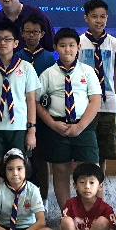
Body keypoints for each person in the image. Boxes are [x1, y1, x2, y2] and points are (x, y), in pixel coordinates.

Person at [35, 27, 101, 209]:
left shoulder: (87, 71)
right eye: (62, 45)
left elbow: (95, 100)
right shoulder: (48, 74)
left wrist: (80, 126)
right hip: (57, 128)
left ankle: (91, 213)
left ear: (78, 47)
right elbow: (37, 103)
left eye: (71, 45)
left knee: (90, 171)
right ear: (56, 47)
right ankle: (68, 214)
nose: (67, 49)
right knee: (60, 171)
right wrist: (52, 124)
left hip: (83, 127)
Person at [0, 21, 40, 193]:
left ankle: (18, 204)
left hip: (19, 127)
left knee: (19, 170)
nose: (3, 43)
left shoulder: (26, 67)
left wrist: (31, 130)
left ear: (16, 43)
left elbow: (31, 100)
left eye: (7, 39)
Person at [78, 0, 116, 184]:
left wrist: (114, 92)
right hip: (84, 105)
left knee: (103, 152)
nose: (99, 20)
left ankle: (99, 188)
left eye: (103, 16)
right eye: (94, 16)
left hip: (108, 105)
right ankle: (84, 187)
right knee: (85, 150)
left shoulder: (115, 44)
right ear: (86, 18)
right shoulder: (79, 42)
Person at [16, 14, 56, 202]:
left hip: (43, 116)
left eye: (36, 32)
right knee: (22, 157)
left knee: (42, 158)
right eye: (28, 32)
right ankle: (21, 197)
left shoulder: (49, 58)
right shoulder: (16, 56)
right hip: (19, 114)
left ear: (42, 34)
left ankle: (43, 199)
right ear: (22, 33)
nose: (32, 35)